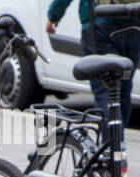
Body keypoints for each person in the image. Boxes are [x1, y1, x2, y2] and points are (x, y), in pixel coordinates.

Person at [47, 0, 140, 136]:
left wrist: (54, 15)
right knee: (124, 88)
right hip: (133, 22)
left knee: (106, 90)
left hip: (100, 23)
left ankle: (113, 147)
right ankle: (118, 147)